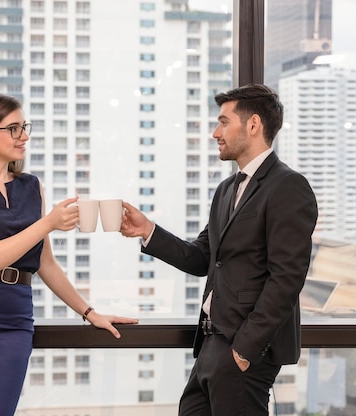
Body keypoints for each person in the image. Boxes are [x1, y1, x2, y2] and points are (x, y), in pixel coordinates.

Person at [0, 93, 138, 415]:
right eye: (13, 129)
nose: (24, 136)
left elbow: (45, 263)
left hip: (12, 321)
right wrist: (48, 223)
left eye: (24, 127)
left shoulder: (30, 186)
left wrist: (89, 312)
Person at [120, 84, 318, 415]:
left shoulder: (288, 186)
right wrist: (148, 231)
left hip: (243, 349)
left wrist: (244, 349)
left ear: (253, 125)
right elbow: (202, 258)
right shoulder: (226, 190)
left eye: (224, 122)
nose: (216, 132)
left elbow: (287, 278)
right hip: (211, 343)